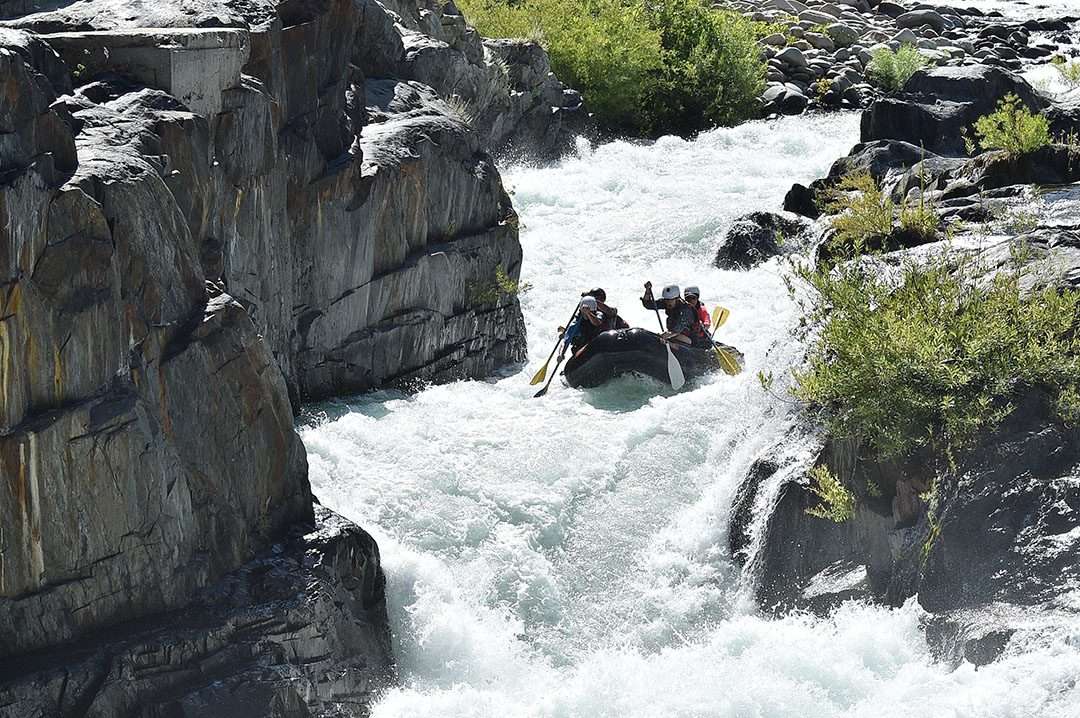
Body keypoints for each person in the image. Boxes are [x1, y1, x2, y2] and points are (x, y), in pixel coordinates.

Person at [641, 282, 707, 347]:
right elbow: (648, 304)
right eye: (666, 300)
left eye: (670, 300)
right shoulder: (667, 303)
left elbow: (676, 330)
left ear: (677, 299)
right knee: (668, 336)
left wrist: (663, 336)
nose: (668, 302)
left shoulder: (686, 310)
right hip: (674, 334)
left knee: (672, 336)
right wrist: (647, 291)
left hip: (691, 340)